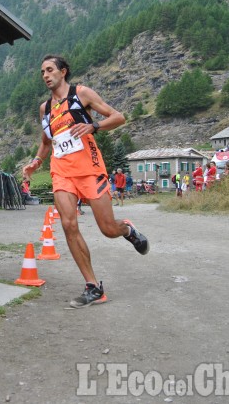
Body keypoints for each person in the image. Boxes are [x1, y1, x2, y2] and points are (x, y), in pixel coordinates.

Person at [22, 54, 149, 309]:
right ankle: (93, 287)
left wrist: (94, 127)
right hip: (62, 172)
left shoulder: (82, 94)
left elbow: (118, 117)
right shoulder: (45, 109)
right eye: (42, 72)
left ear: (63, 72)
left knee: (107, 228)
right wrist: (36, 161)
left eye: (49, 70)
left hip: (90, 170)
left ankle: (127, 230)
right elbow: (47, 141)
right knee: (69, 225)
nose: (45, 75)